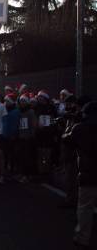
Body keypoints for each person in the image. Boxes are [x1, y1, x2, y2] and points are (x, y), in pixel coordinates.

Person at [62, 101, 97, 250]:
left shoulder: (80, 128)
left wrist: (71, 124)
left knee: (85, 207)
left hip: (88, 172)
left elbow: (66, 139)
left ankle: (82, 237)